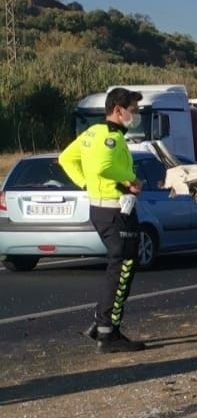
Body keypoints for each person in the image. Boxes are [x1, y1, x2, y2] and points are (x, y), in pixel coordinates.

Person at [59, 87, 146, 353]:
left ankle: (103, 324)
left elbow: (66, 158)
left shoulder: (92, 133)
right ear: (118, 111)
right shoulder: (110, 137)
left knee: (119, 267)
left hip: (103, 208)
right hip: (114, 210)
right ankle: (108, 333)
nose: (137, 116)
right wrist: (130, 180)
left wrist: (85, 183)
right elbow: (103, 167)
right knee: (122, 268)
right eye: (133, 110)